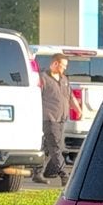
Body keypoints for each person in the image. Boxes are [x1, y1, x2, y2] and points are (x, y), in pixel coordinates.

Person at [34, 53, 81, 185]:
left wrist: (78, 109)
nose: (64, 68)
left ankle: (38, 173)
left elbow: (70, 97)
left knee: (49, 148)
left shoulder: (64, 79)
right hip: (49, 118)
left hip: (61, 118)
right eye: (63, 66)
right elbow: (35, 97)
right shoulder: (43, 78)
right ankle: (64, 176)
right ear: (55, 63)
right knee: (56, 147)